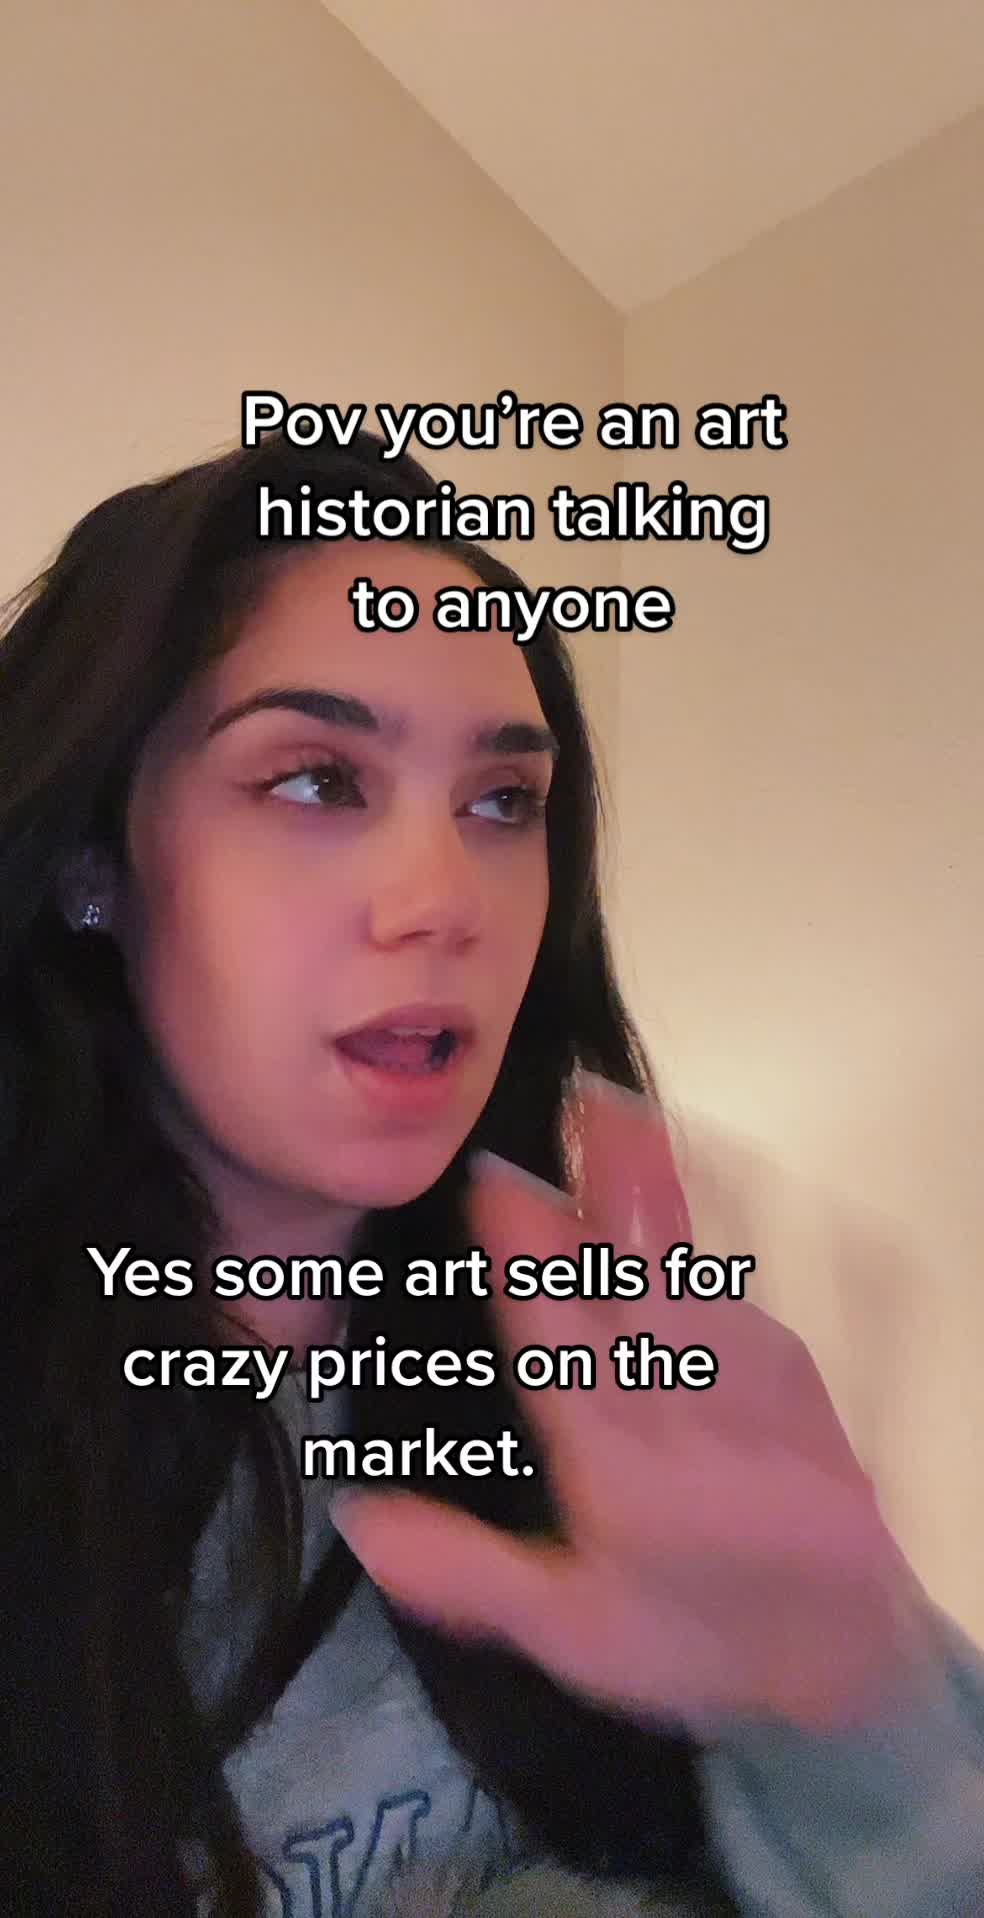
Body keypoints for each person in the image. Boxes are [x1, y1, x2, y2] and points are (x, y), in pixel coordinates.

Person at [1, 430, 983, 1918]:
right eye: (318, 778)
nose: (446, 898)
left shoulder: (617, 1395)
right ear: (96, 862)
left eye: (504, 802)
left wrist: (859, 1733)